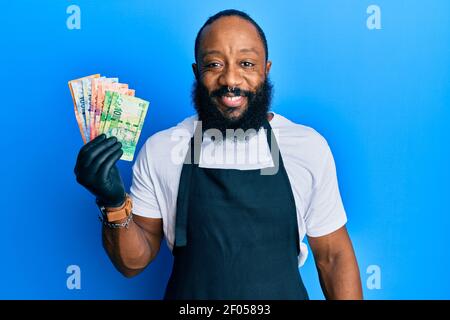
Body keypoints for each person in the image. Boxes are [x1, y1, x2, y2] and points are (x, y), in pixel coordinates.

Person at [74, 9, 363, 300]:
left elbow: (333, 256)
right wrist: (112, 204)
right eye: (214, 64)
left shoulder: (307, 146)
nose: (231, 80)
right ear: (197, 72)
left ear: (266, 70)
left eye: (246, 63)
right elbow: (132, 263)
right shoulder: (162, 149)